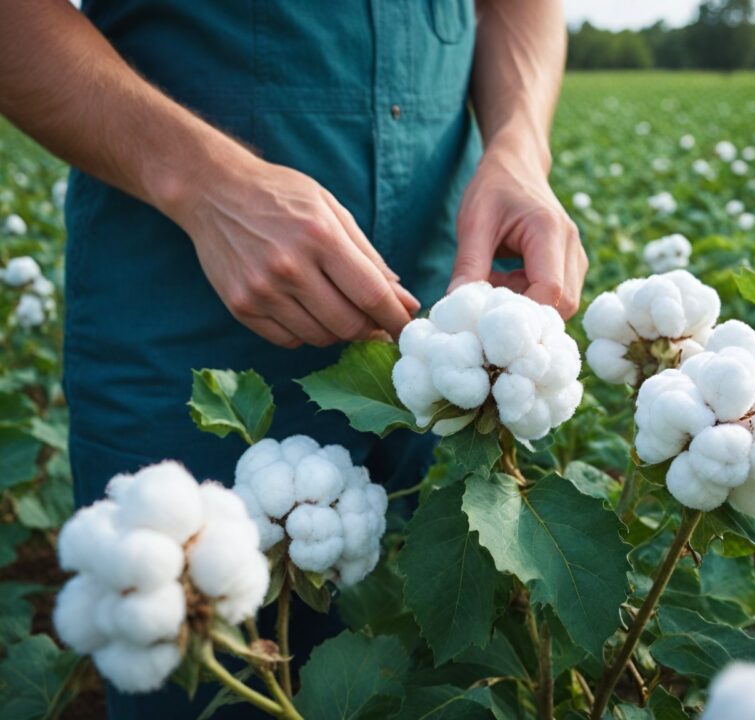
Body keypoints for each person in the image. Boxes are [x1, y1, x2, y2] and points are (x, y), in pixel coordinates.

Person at [0, 0, 586, 717]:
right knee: (210, 674)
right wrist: (201, 181)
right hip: (186, 301)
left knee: (438, 665)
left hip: (443, 286)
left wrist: (520, 149)